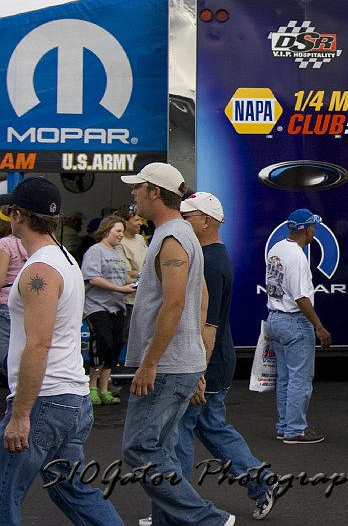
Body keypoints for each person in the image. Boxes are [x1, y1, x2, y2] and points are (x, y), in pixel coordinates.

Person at [0, 178, 125, 525]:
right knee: (72, 489)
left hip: (46, 401)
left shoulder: (39, 269)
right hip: (69, 398)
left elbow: (38, 344)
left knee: (3, 493)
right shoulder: (65, 258)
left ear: (18, 215)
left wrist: (21, 414)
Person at [120, 162, 234, 525]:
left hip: (167, 366)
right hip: (179, 363)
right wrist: (197, 363)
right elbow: (198, 301)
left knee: (139, 447)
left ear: (155, 192)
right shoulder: (181, 235)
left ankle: (208, 519)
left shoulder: (173, 237)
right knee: (163, 449)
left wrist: (150, 362)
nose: (133, 193)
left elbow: (175, 302)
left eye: (138, 187)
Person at [176, 192, 277, 520]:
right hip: (213, 361)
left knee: (179, 432)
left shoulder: (209, 262)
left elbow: (208, 324)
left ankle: (177, 508)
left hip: (207, 363)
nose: (181, 221)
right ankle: (259, 482)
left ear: (205, 220)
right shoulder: (211, 257)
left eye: (186, 216)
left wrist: (197, 373)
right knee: (210, 428)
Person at [265, 208, 332, 444]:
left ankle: (284, 426)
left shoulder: (277, 248)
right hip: (293, 321)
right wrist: (319, 327)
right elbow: (301, 297)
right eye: (314, 226)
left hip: (274, 318)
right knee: (299, 380)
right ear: (308, 230)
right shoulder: (297, 256)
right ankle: (295, 430)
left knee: (285, 378)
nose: (316, 230)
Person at [81, 215, 134, 405]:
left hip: (117, 307)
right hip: (98, 306)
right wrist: (121, 289)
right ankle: (92, 387)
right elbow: (93, 278)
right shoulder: (95, 251)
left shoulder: (118, 251)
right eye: (118, 231)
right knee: (102, 343)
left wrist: (136, 281)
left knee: (114, 346)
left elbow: (124, 277)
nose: (121, 235)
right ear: (106, 231)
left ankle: (104, 389)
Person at [0, 215, 29, 382]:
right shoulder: (27, 244)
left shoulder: (5, 244)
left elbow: (1, 279)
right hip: (24, 301)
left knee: (5, 355)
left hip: (5, 302)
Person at [119, 207, 149, 349]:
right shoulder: (119, 242)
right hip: (129, 301)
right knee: (126, 339)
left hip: (146, 298)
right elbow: (125, 272)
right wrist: (145, 274)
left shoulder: (139, 239)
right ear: (125, 222)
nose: (140, 223)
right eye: (136, 220)